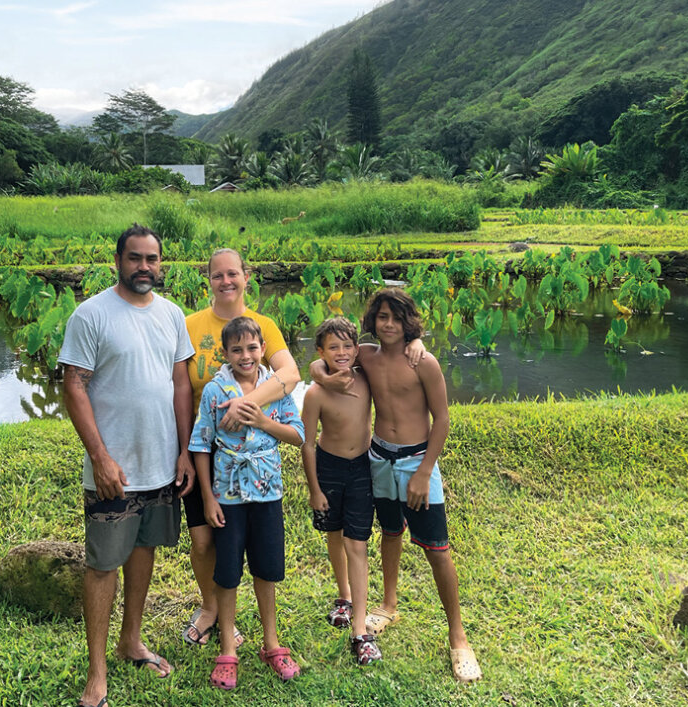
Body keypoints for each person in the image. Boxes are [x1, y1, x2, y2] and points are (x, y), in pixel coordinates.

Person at [310, 288, 482, 683]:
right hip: (378, 459)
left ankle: (458, 635)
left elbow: (441, 419)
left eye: (397, 318)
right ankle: (388, 605)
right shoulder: (366, 357)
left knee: (437, 549)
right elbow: (321, 364)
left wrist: (424, 472)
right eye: (382, 317)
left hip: (415, 462)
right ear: (373, 320)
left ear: (410, 322)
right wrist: (319, 372)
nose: (389, 325)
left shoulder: (424, 361)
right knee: (389, 533)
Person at [60, 224, 196, 707]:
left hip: (161, 462)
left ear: (162, 264)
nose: (144, 267)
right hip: (113, 468)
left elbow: (180, 383)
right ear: (117, 259)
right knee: (103, 564)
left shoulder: (172, 314)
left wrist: (184, 450)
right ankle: (97, 673)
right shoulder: (91, 314)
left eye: (152, 259)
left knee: (144, 550)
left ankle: (130, 640)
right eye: (135, 258)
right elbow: (73, 386)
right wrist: (100, 457)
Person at [180, 248, 301, 649]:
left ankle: (247, 626)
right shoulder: (190, 324)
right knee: (202, 540)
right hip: (205, 446)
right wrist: (184, 446)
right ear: (208, 279)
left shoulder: (263, 325)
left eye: (233, 273)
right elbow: (181, 388)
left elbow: (290, 374)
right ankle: (210, 607)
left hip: (253, 447)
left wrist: (244, 406)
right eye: (218, 275)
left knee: (246, 545)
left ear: (246, 277)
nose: (226, 281)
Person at [188, 317, 305, 690]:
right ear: (225, 353)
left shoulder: (276, 389)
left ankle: (271, 643)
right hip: (227, 495)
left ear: (262, 350)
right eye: (236, 349)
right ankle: (227, 649)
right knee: (227, 571)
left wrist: (263, 421)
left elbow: (298, 436)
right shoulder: (214, 391)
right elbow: (201, 445)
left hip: (268, 492)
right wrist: (207, 497)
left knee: (267, 568)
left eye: (252, 348)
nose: (245, 355)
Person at [301, 317, 381, 665]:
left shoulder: (366, 378)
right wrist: (313, 488)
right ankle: (343, 597)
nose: (342, 352)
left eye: (348, 346)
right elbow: (306, 444)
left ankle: (360, 630)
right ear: (321, 351)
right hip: (329, 467)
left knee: (357, 543)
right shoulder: (315, 393)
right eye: (333, 347)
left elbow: (387, 357)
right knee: (334, 535)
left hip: (363, 467)